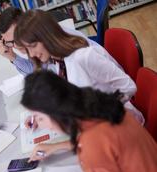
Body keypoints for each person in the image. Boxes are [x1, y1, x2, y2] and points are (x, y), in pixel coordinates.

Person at [21, 71, 157, 172]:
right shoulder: (99, 106)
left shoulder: (94, 143)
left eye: (40, 117)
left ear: (56, 112)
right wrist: (56, 146)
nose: (42, 125)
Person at [13, 9, 144, 124]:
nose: (32, 54)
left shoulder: (83, 57)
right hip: (95, 128)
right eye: (27, 49)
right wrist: (44, 115)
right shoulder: (56, 61)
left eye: (33, 46)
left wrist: (101, 112)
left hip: (120, 124)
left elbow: (128, 86)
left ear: (48, 36)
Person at [0, 7, 99, 76]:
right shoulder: (34, 44)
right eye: (9, 42)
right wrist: (12, 57)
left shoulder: (64, 49)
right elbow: (39, 71)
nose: (16, 46)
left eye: (16, 38)